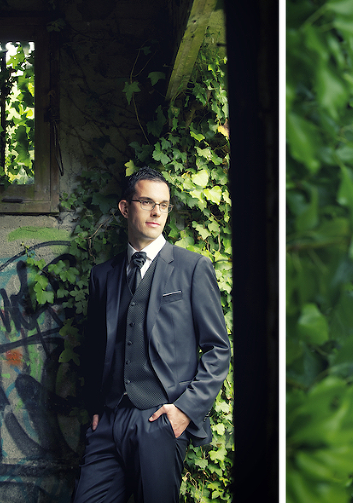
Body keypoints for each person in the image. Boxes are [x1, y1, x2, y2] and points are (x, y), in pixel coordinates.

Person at [74, 167, 231, 503]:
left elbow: (218, 349)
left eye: (164, 204)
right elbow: (94, 347)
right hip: (109, 420)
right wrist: (96, 406)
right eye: (147, 202)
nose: (157, 212)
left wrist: (185, 410)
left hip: (160, 421)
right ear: (125, 208)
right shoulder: (103, 275)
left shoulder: (191, 268)